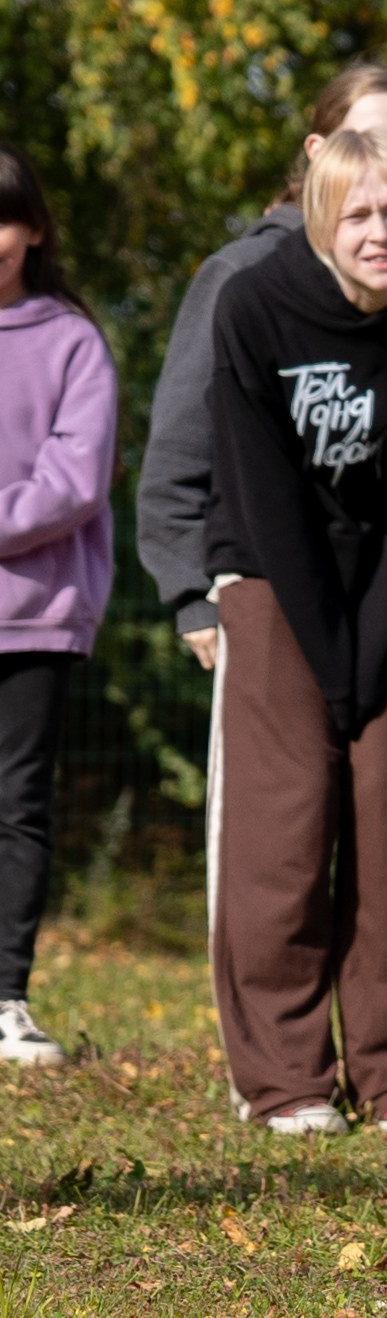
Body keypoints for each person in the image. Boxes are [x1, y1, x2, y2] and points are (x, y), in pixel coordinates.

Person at [206, 128, 387, 1136]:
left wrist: (378, 637)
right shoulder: (254, 305)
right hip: (275, 574)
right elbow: (261, 488)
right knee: (285, 821)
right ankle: (283, 1078)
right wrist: (328, 651)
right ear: (322, 225)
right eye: (360, 216)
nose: (383, 233)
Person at [137, 64, 387, 678]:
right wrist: (189, 591)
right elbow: (183, 446)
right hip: (269, 593)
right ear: (316, 153)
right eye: (359, 139)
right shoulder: (244, 280)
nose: (378, 159)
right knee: (290, 777)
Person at [0, 151, 117, 1069]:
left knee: (18, 806)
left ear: (34, 230)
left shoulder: (73, 340)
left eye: (5, 219)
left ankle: (5, 995)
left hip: (35, 613)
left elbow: (74, 478)